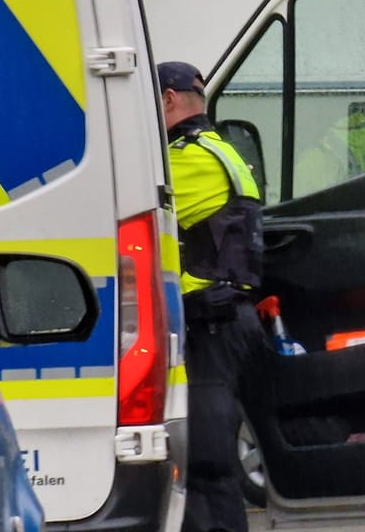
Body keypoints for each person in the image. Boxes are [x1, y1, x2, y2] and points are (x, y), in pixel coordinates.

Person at [158, 60, 268, 532]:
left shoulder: (184, 160)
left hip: (210, 325)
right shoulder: (221, 150)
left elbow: (118, 208)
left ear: (167, 100)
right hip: (229, 322)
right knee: (209, 463)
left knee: (205, 465)